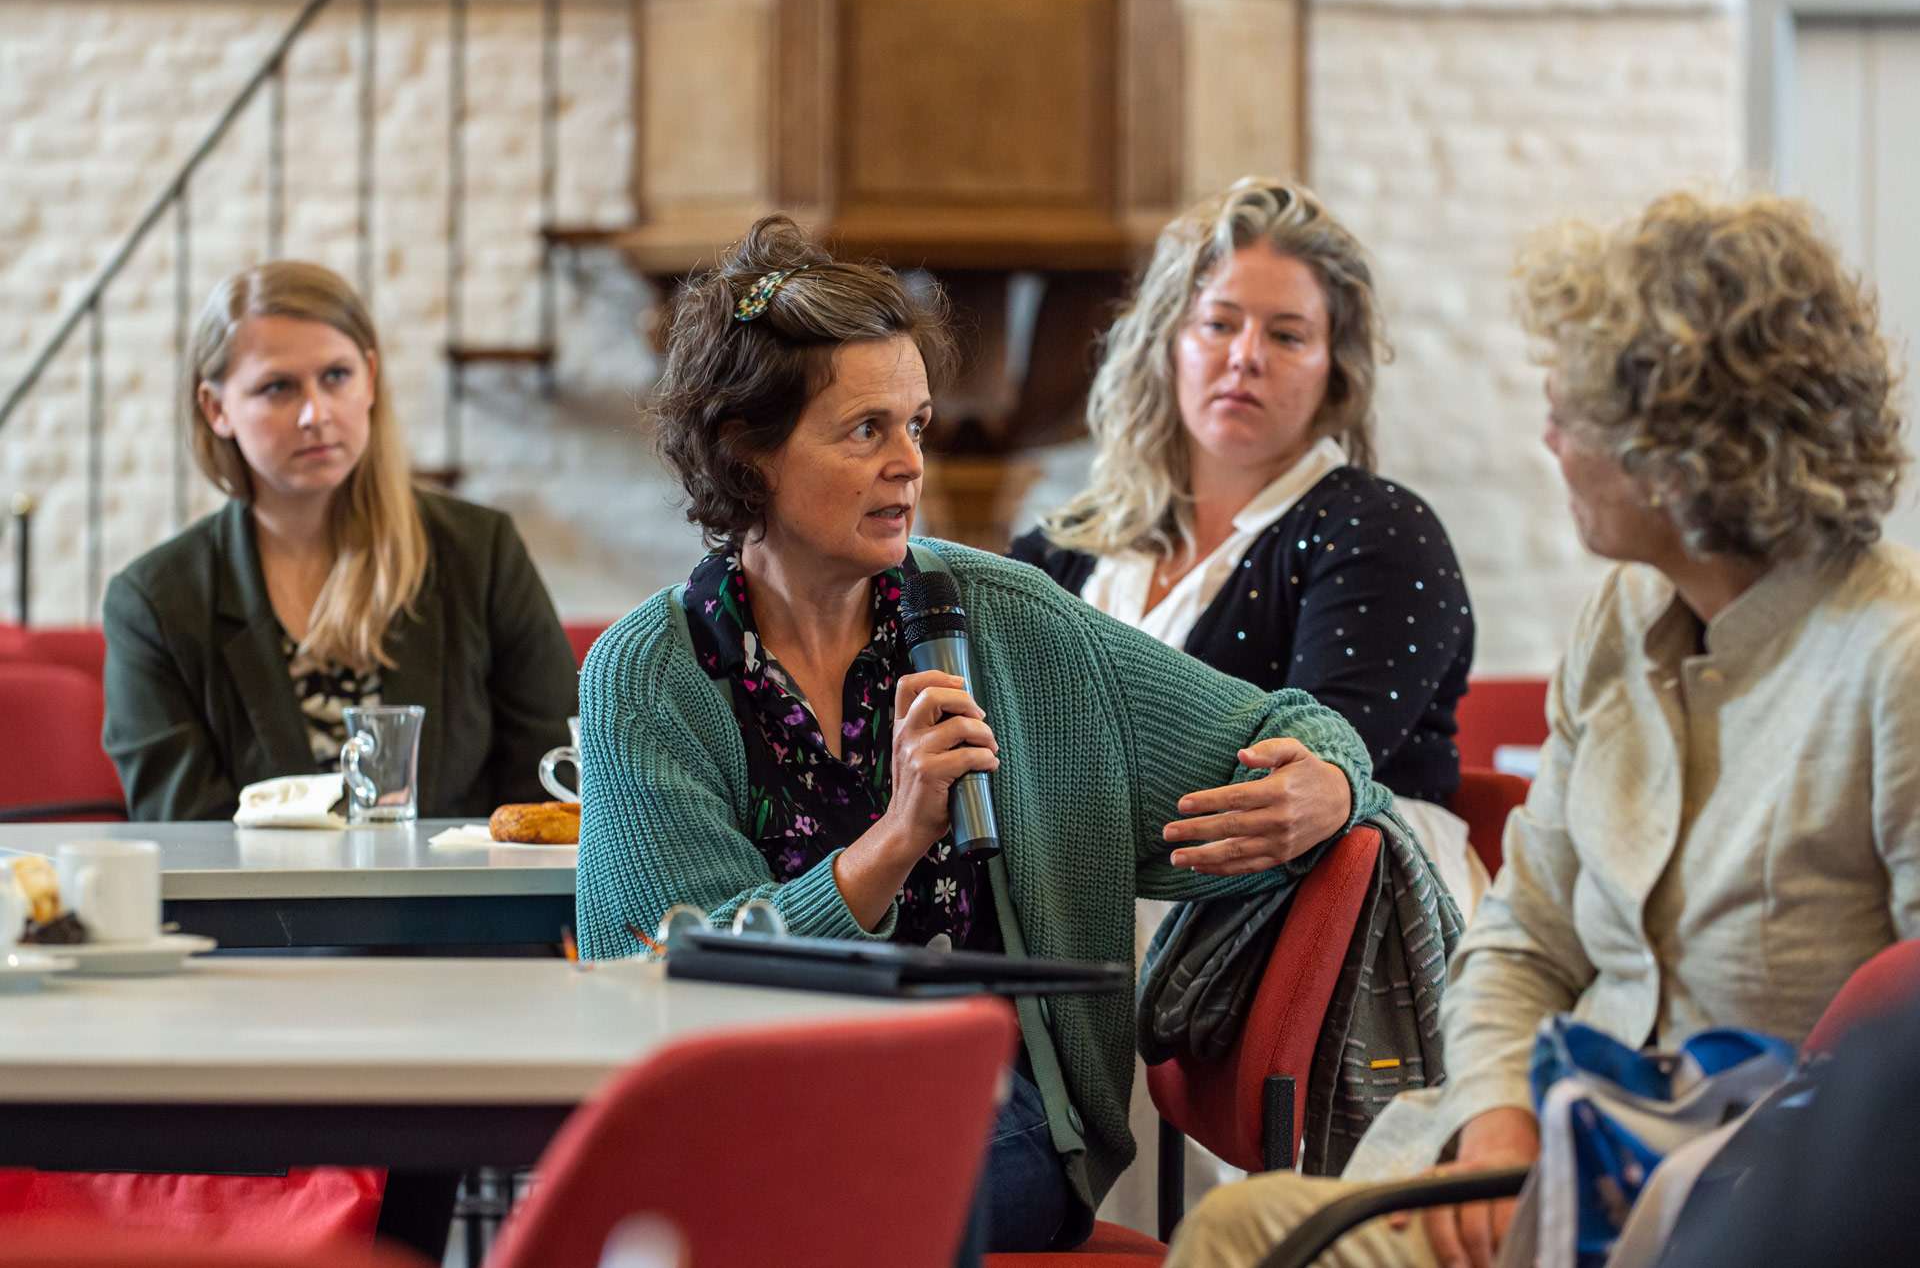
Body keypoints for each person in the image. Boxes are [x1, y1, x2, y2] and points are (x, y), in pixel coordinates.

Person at [574, 217, 1413, 1252]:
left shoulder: (1005, 620)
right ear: (745, 447)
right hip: (745, 1104)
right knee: (764, 1190)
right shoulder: (649, 673)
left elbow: (1294, 725)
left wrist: (1331, 783)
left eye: (916, 424)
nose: (909, 465)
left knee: (860, 1194)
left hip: (996, 1107)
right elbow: (673, 966)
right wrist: (892, 843)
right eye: (864, 431)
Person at [1160, 189, 1920, 1268]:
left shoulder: (1893, 660)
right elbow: (1523, 937)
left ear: (1680, 452)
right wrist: (1496, 1116)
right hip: (1546, 1155)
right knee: (1239, 1228)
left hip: (1760, 1203)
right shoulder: (1625, 620)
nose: (1550, 440)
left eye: (1574, 413)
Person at [1011, 179, 1482, 913]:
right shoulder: (1059, 548)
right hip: (1081, 907)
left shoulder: (1379, 530)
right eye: (1219, 323)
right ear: (1168, 342)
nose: (1246, 357)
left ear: (1336, 369)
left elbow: (1314, 771)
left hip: (1318, 927)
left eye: (1287, 335)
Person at [103, 260, 577, 821]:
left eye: (335, 377)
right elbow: (184, 836)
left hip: (462, 904)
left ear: (370, 377)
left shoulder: (481, 551)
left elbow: (554, 782)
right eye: (277, 387)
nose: (315, 414)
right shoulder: (156, 602)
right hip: (259, 910)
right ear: (216, 408)